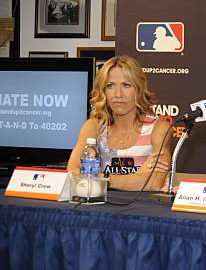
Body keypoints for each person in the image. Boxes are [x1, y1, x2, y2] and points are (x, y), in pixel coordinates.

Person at [67, 55, 170, 191]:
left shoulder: (159, 129)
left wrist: (99, 178)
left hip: (144, 210)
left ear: (139, 89)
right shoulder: (93, 127)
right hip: (100, 209)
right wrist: (138, 176)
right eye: (110, 86)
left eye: (126, 85)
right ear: (103, 91)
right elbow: (73, 175)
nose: (118, 94)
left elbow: (154, 183)